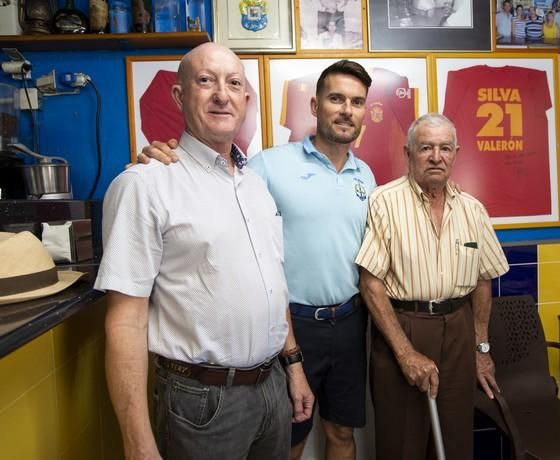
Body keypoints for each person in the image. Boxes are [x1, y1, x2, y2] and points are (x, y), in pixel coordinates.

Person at [137, 60, 376, 460]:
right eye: (336, 98)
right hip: (290, 327)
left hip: (351, 322)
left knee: (341, 432)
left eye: (356, 102)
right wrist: (165, 154)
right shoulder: (268, 165)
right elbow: (217, 179)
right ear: (315, 106)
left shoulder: (365, 175)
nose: (346, 110)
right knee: (289, 440)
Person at [96, 43, 313, 460]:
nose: (221, 94)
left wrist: (294, 367)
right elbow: (125, 323)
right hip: (202, 402)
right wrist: (137, 444)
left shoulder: (256, 187)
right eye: (205, 81)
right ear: (179, 96)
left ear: (245, 100)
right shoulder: (145, 184)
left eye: (234, 83)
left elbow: (273, 287)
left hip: (272, 388)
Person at [356, 113, 509, 460]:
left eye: (444, 148)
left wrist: (481, 348)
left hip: (459, 328)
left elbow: (483, 280)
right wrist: (406, 353)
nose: (436, 157)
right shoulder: (385, 202)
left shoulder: (473, 210)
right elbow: (370, 283)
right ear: (409, 153)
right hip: (404, 328)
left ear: (456, 153)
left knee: (454, 440)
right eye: (426, 148)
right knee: (402, 442)